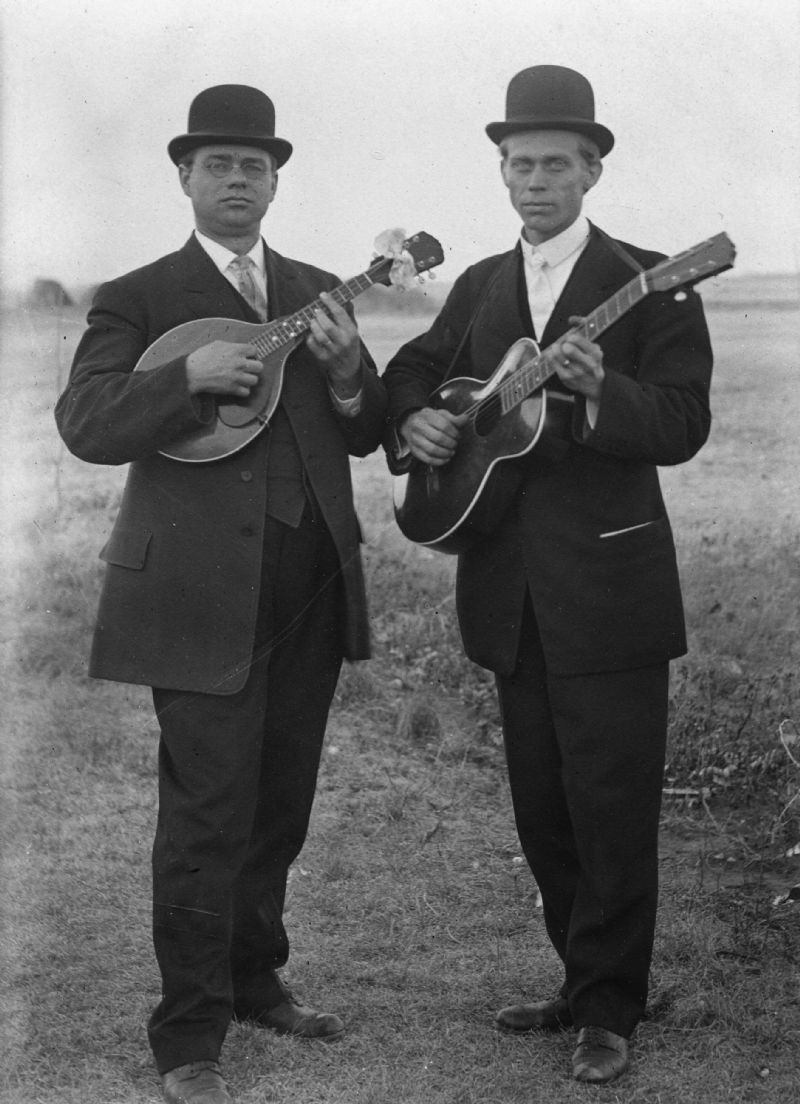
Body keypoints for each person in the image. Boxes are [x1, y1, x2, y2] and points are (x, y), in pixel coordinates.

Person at [55, 85, 387, 1104]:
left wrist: (347, 375)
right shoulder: (137, 295)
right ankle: (188, 1033)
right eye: (218, 165)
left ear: (274, 182)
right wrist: (185, 376)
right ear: (185, 177)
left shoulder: (320, 289)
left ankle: (254, 981)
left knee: (280, 803)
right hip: (196, 593)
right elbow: (87, 423)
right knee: (207, 812)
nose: (238, 180)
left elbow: (366, 427)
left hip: (308, 583)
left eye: (255, 166)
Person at [383, 65, 713, 1085]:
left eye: (555, 166)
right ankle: (580, 981)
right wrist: (415, 420)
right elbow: (412, 370)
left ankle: (610, 1009)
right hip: (506, 591)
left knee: (610, 806)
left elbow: (682, 424)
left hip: (609, 590)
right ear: (501, 172)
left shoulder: (651, 281)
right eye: (519, 165)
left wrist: (603, 389)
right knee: (542, 808)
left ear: (591, 170)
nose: (535, 182)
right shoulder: (483, 283)